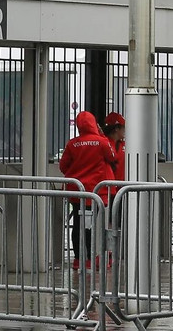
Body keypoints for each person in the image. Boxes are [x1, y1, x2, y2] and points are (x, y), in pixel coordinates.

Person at [58, 111, 116, 269]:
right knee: (91, 226)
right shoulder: (101, 142)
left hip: (77, 191)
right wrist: (102, 136)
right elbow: (112, 156)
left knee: (77, 224)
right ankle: (91, 258)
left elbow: (63, 166)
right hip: (95, 191)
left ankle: (78, 259)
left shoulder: (72, 144)